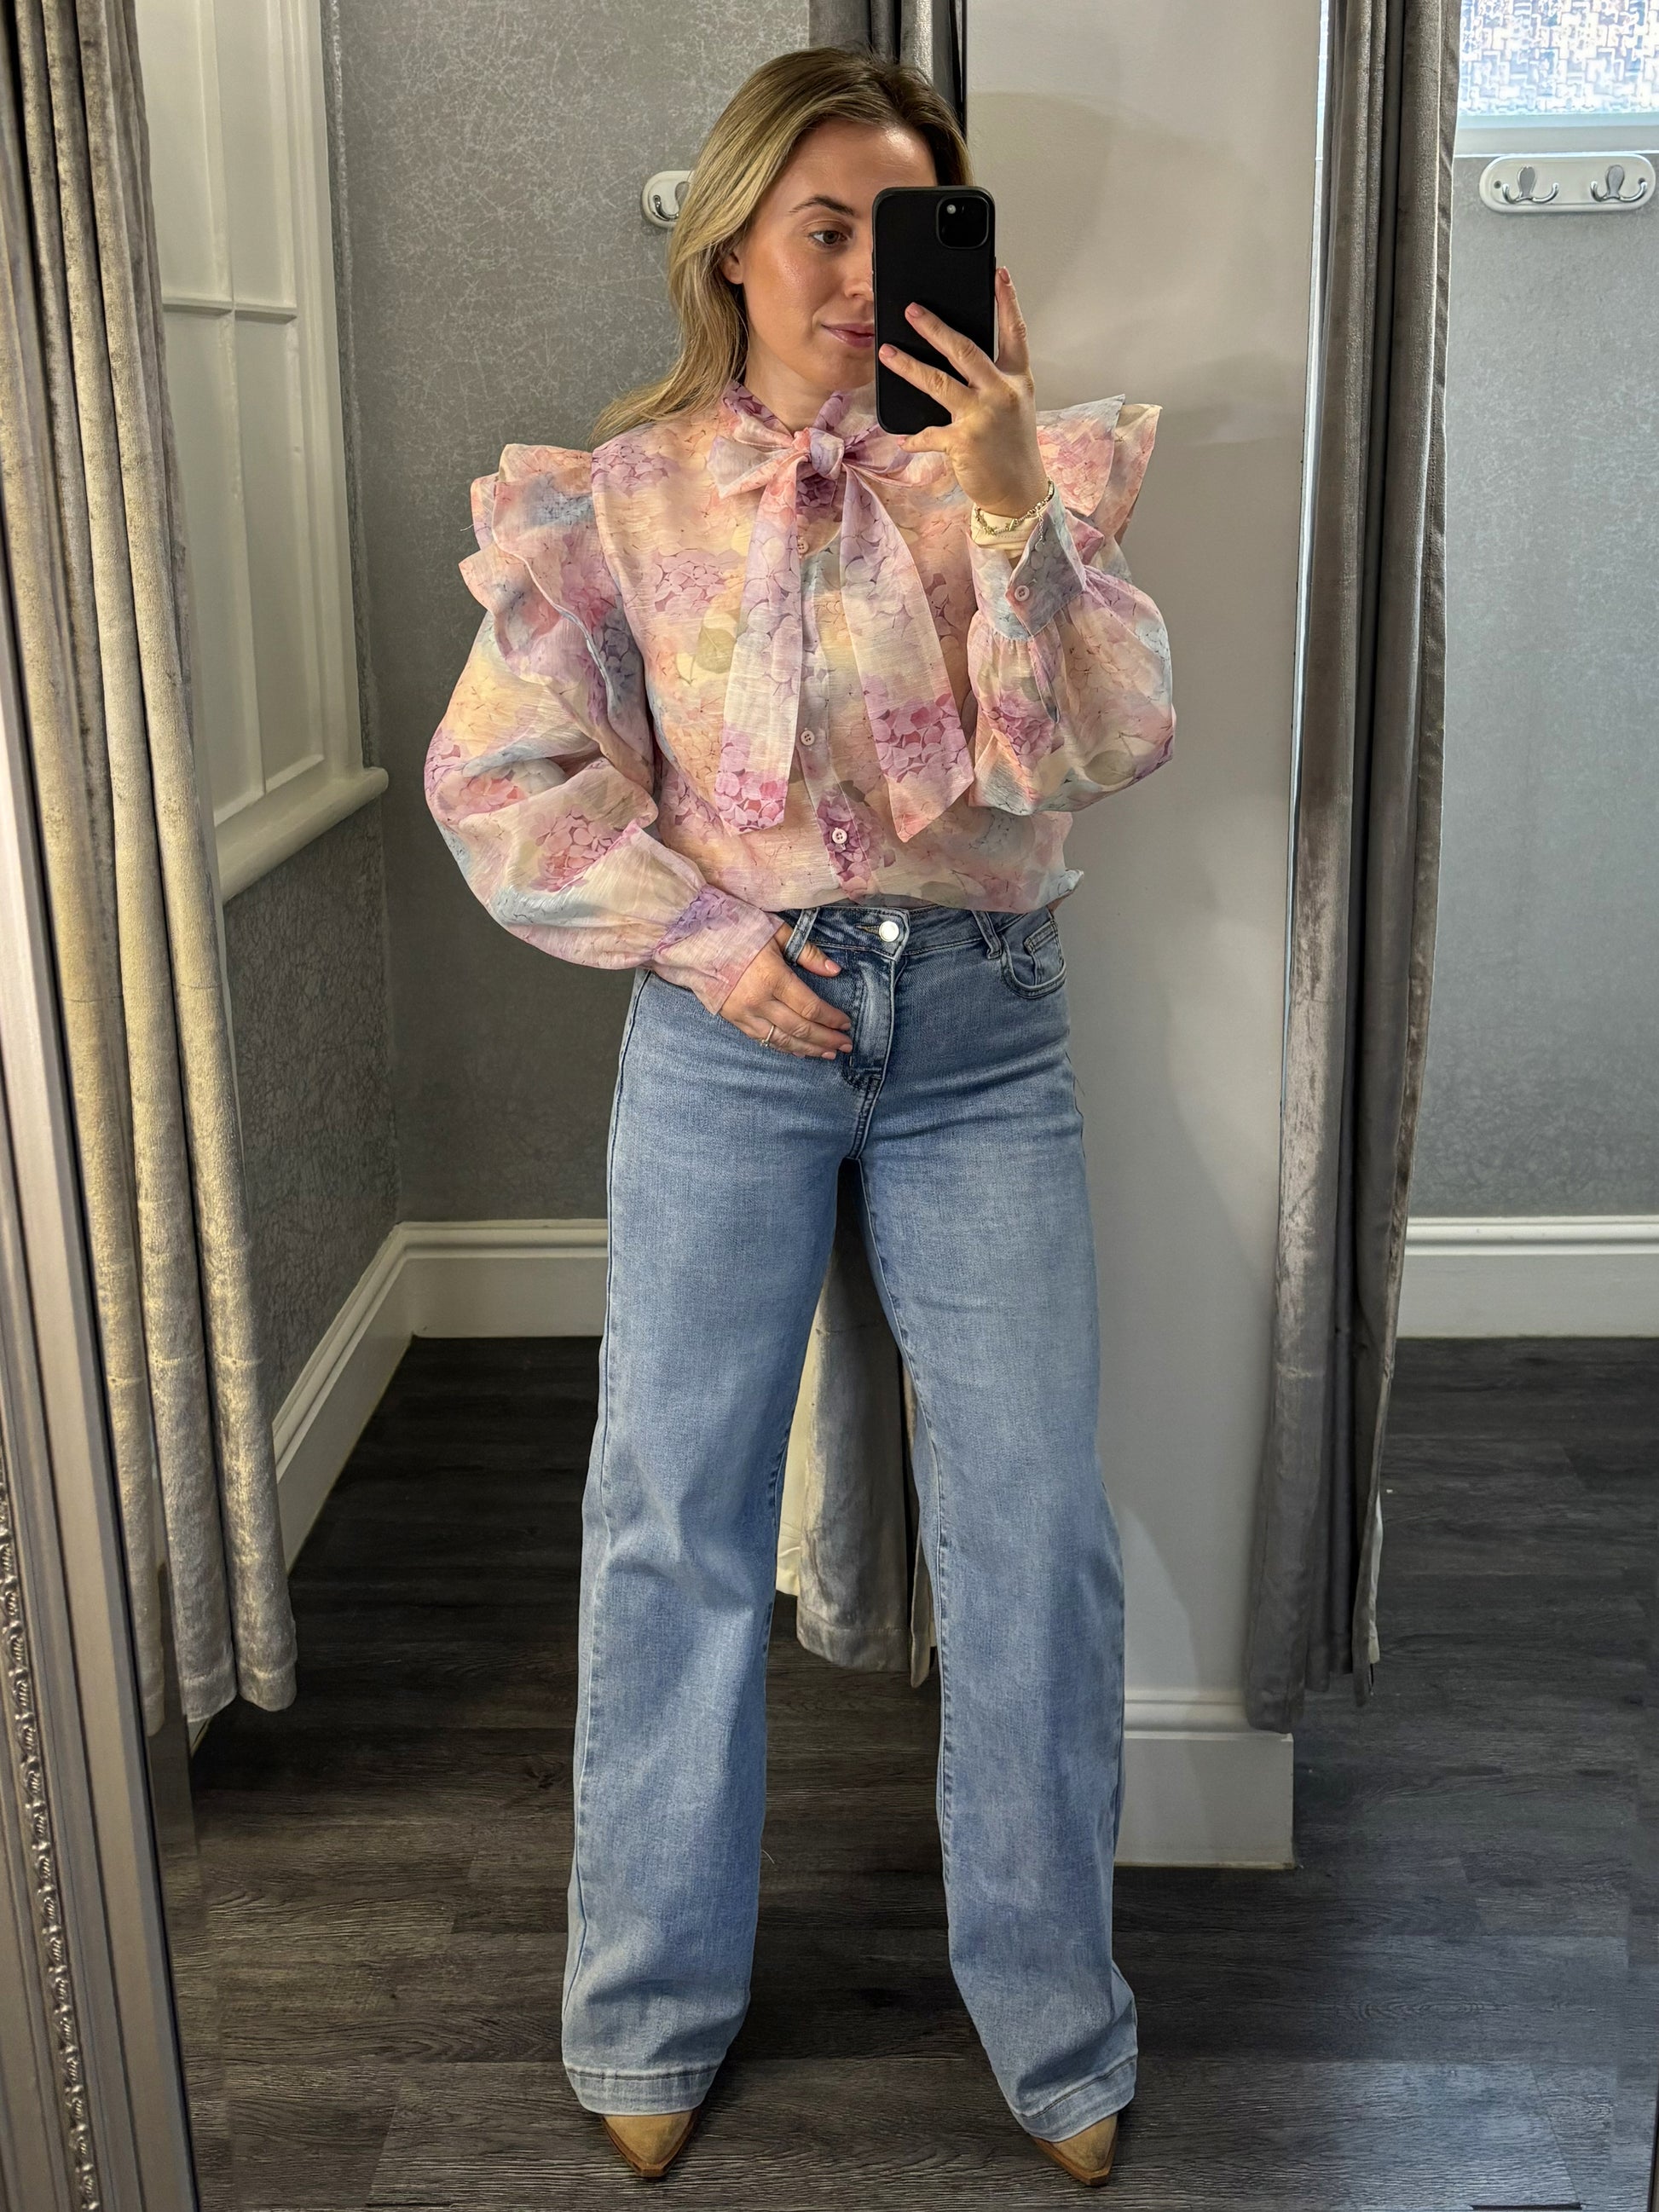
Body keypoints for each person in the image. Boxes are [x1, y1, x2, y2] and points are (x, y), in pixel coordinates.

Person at [425, 43, 1173, 2189]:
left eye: (900, 228)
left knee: (1032, 1528)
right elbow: (500, 777)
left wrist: (1009, 497)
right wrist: (699, 938)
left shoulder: (1018, 474)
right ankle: (645, 2002)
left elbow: (1092, 747)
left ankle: (1057, 2017)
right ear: (731, 244)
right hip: (732, 1038)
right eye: (820, 227)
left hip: (985, 1041)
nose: (858, 273)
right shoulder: (617, 495)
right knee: (673, 1513)